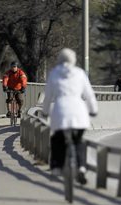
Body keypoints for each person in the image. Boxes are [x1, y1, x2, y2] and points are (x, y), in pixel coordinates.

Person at [42, 48, 98, 184]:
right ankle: (82, 168)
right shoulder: (80, 73)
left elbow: (48, 96)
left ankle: (56, 167)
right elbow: (89, 94)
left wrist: (45, 112)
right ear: (74, 60)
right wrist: (93, 110)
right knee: (79, 141)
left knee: (57, 140)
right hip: (79, 112)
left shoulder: (54, 73)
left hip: (61, 111)